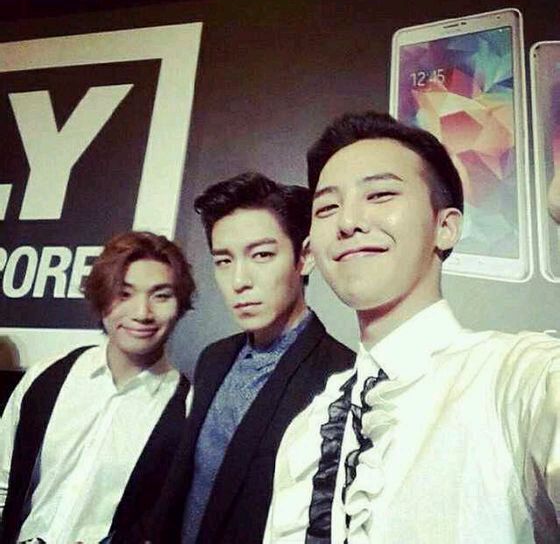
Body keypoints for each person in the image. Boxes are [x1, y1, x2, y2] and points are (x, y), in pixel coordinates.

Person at [265, 111, 560, 543]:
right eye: (327, 207)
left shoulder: (518, 379)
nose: (347, 222)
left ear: (446, 227)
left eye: (380, 194)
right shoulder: (306, 429)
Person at [141, 172, 354, 544]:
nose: (239, 280)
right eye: (224, 260)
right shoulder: (214, 359)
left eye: (262, 255)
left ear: (304, 257)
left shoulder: (340, 376)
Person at [0, 231, 195, 544]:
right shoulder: (47, 377)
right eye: (124, 293)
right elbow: (3, 478)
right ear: (102, 297)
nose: (142, 313)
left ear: (180, 304)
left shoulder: (187, 410)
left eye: (161, 295)